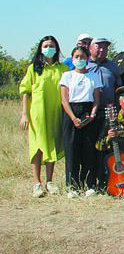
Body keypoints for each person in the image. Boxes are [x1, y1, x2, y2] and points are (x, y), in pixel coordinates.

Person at [19, 36, 69, 198]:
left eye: (52, 45)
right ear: (41, 48)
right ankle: (36, 183)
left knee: (51, 146)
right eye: (46, 45)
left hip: (56, 114)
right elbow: (26, 91)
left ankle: (49, 181)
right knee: (37, 147)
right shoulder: (34, 68)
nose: (49, 48)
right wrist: (24, 114)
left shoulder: (62, 68)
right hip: (37, 115)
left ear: (57, 48)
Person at [59, 46, 102, 198]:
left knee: (89, 149)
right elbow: (64, 100)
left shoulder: (94, 76)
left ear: (87, 58)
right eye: (76, 57)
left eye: (82, 57)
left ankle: (90, 183)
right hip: (71, 113)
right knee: (72, 150)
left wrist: (92, 115)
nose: (79, 60)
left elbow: (97, 99)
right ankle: (73, 186)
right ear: (72, 58)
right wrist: (73, 118)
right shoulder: (67, 76)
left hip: (89, 113)